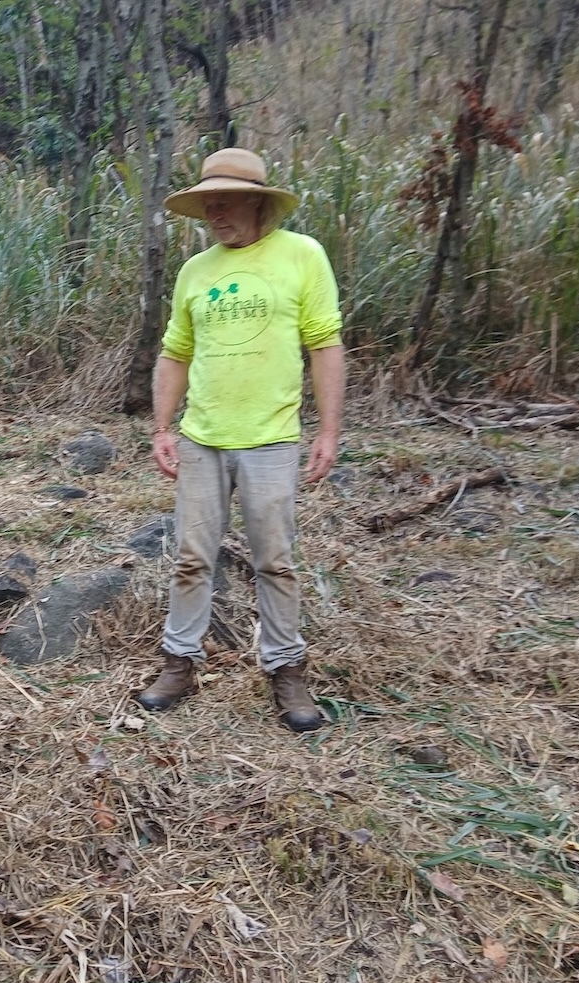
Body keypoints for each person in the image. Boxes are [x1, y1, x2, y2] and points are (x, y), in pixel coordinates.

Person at [135, 148, 345, 731]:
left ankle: (286, 670)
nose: (214, 212)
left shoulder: (302, 256)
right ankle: (179, 662)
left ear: (258, 201)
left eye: (225, 201)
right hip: (202, 438)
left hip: (272, 439)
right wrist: (161, 427)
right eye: (207, 203)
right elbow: (175, 353)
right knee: (190, 558)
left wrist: (328, 430)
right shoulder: (195, 271)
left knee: (275, 561)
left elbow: (324, 344)